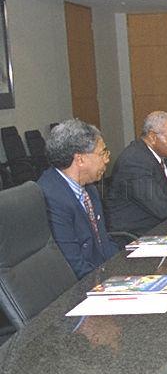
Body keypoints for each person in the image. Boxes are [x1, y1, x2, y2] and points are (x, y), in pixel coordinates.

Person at [37, 119, 118, 279]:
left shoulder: (89, 188)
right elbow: (73, 265)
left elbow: (103, 242)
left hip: (102, 273)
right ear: (80, 160)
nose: (107, 159)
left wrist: (124, 267)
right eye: (103, 153)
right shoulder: (51, 197)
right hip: (83, 285)